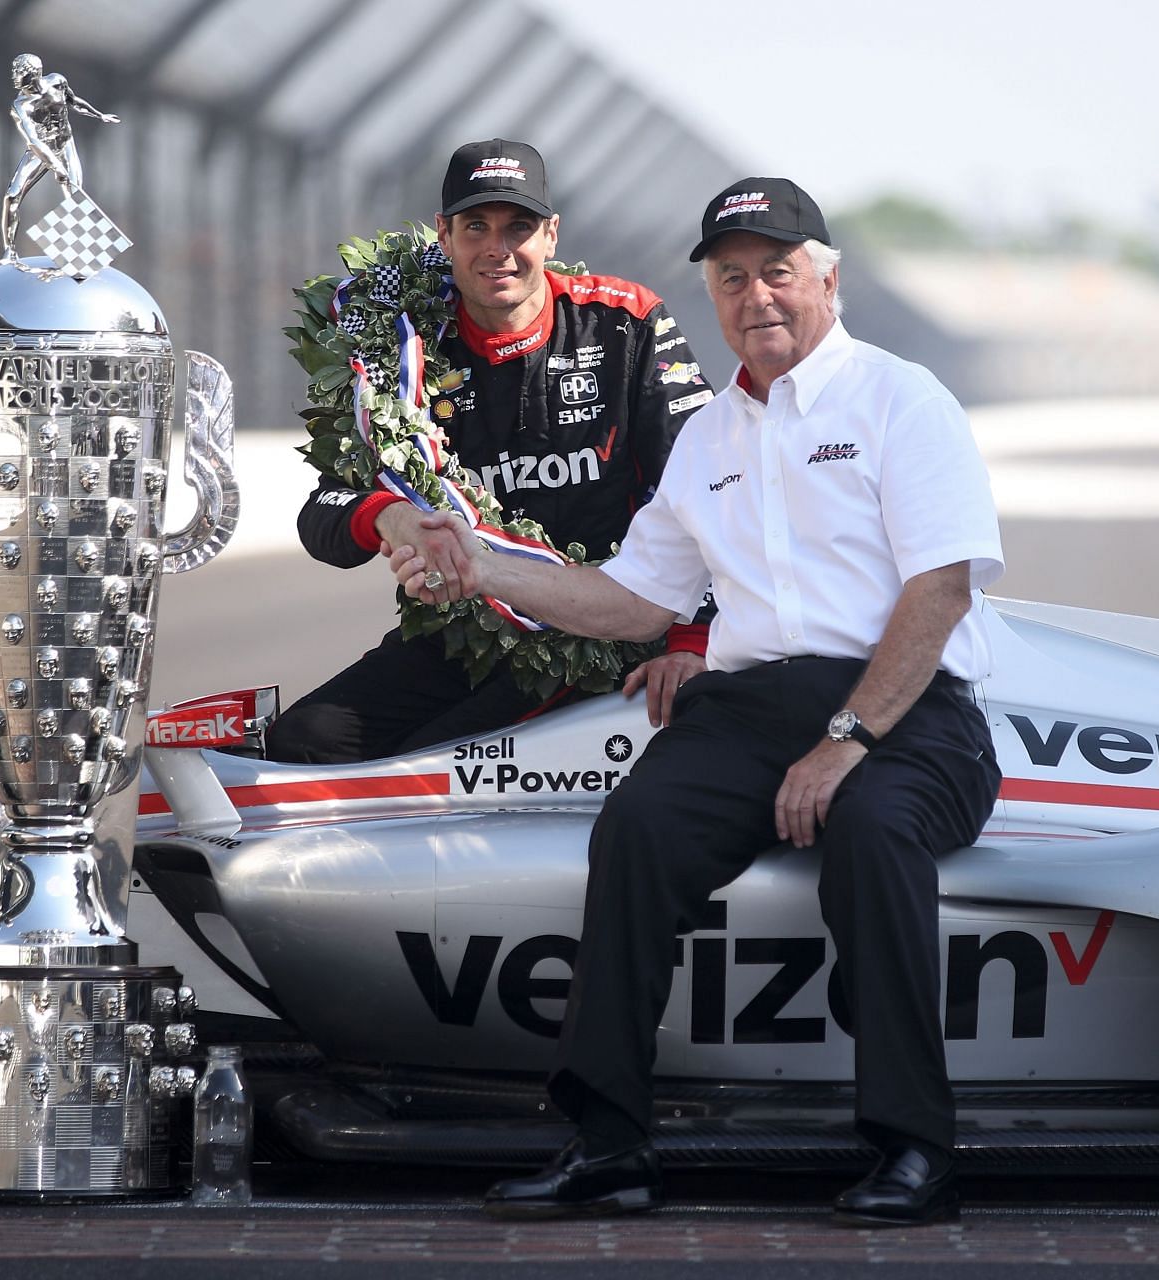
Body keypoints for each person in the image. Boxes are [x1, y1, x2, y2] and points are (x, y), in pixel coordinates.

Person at [385, 178, 1004, 1227]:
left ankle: (912, 1146)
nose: (755, 293)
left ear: (827, 278)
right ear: (712, 295)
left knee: (872, 827)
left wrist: (848, 738)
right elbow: (630, 601)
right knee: (638, 827)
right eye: (731, 276)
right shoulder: (708, 437)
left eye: (777, 269)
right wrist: (480, 564)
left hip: (907, 711)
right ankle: (610, 1145)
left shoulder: (903, 397)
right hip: (748, 708)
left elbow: (939, 588)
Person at [267, 138, 715, 764]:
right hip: (465, 633)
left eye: (518, 227)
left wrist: (692, 641)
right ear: (444, 236)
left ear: (551, 236)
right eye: (476, 226)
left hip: (601, 637)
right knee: (303, 741)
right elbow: (323, 511)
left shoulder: (625, 322)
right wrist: (390, 519)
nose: (497, 249)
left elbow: (716, 491)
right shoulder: (399, 344)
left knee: (426, 765)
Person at [0, 53, 120, 263]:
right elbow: (33, 141)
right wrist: (55, 166)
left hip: (64, 144)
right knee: (12, 196)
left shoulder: (57, 81)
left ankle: (83, 250)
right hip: (40, 151)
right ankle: (9, 251)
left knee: (75, 194)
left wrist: (99, 115)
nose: (14, 76)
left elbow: (74, 102)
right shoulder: (21, 106)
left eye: (19, 71)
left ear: (33, 73)